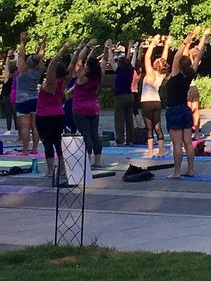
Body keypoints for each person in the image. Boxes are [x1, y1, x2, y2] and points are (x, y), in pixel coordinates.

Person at [167, 28, 210, 179]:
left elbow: (178, 55)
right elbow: (199, 56)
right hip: (185, 110)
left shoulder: (175, 74)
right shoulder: (190, 74)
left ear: (178, 65)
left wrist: (190, 36)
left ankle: (177, 172)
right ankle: (190, 170)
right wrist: (204, 38)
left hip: (174, 110)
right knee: (187, 142)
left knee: (177, 144)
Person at [69, 41, 106, 169]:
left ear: (88, 67)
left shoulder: (82, 77)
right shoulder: (98, 76)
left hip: (80, 109)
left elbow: (78, 60)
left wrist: (86, 46)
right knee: (94, 134)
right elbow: (105, 60)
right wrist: (106, 48)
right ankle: (98, 161)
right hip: (94, 108)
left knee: (85, 134)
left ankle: (87, 160)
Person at [36, 44, 70, 182]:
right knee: (58, 142)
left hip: (44, 116)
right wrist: (81, 49)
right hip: (58, 115)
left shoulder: (51, 82)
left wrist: (63, 49)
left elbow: (52, 63)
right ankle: (62, 168)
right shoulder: (63, 81)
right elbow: (74, 63)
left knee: (48, 143)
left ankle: (50, 170)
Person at [14, 31, 46, 155]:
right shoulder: (39, 71)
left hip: (22, 100)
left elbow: (21, 55)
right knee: (35, 126)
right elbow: (40, 57)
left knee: (25, 127)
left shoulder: (23, 71)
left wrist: (22, 42)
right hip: (35, 99)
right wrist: (43, 42)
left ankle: (25, 150)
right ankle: (35, 149)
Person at [141, 34, 170, 158]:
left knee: (149, 128)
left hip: (146, 102)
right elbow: (164, 59)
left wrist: (153, 42)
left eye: (156, 60)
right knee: (158, 126)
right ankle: (161, 151)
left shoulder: (151, 73)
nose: (155, 59)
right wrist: (166, 45)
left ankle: (151, 151)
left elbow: (147, 57)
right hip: (157, 102)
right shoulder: (161, 74)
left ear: (156, 65)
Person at [112, 42, 138, 146]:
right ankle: (131, 139)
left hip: (120, 96)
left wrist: (109, 49)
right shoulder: (130, 70)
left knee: (119, 119)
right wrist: (131, 48)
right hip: (130, 95)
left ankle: (120, 139)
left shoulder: (119, 71)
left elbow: (110, 60)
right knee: (129, 119)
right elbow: (131, 60)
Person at [0, 51, 17, 137]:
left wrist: (7, 59)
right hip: (11, 97)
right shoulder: (16, 78)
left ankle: (10, 129)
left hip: (7, 97)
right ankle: (16, 128)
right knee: (14, 114)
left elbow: (6, 68)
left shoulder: (9, 78)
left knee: (9, 114)